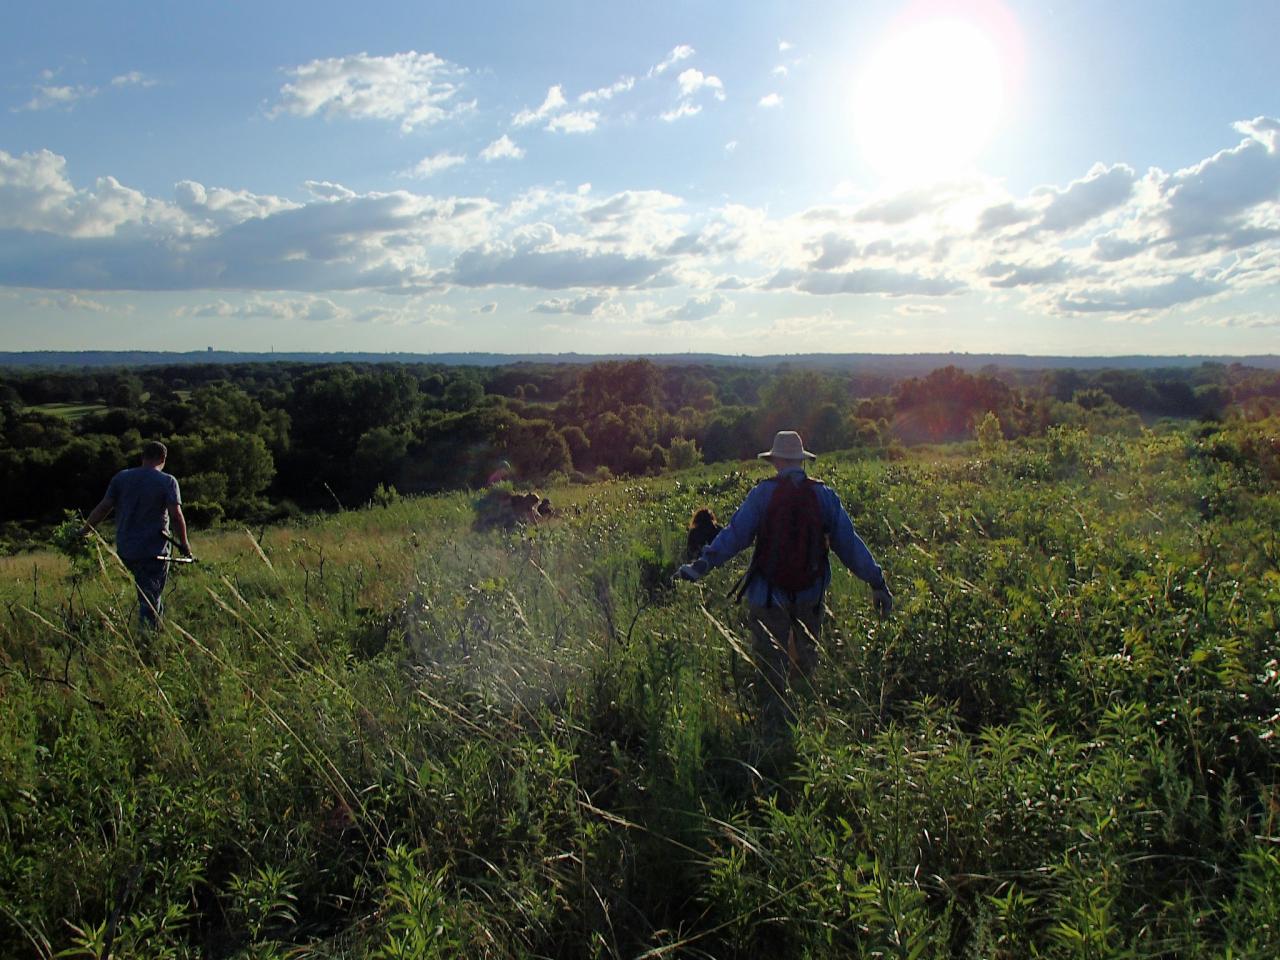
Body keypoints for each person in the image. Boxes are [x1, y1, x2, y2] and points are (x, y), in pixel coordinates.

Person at [678, 430, 891, 729]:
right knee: (805, 665)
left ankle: (772, 729)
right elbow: (850, 546)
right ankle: (803, 724)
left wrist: (701, 565)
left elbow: (734, 536)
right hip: (811, 595)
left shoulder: (762, 494)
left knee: (770, 669)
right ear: (801, 460)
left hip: (767, 596)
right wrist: (877, 581)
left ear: (776, 460)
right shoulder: (824, 495)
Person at [82, 440, 192, 628]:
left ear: (142, 457)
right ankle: (148, 642)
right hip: (153, 551)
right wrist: (184, 544)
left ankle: (158, 632)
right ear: (163, 458)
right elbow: (176, 515)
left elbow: (103, 508)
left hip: (126, 549)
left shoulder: (121, 478)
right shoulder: (167, 481)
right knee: (150, 599)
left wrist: (84, 531)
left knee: (151, 595)